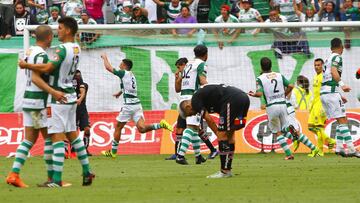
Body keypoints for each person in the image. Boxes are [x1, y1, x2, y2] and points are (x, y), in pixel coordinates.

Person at [18, 17, 95, 187]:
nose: (57, 31)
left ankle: (56, 180)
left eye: (59, 28)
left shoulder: (62, 48)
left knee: (57, 137)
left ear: (67, 30)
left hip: (58, 98)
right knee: (73, 136)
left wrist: (26, 65)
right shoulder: (77, 48)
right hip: (70, 97)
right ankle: (87, 171)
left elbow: (48, 68)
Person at [6, 25, 66, 188]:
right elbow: (35, 78)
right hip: (38, 102)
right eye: (52, 36)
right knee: (50, 138)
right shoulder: (41, 55)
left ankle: (14, 174)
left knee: (30, 139)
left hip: (29, 100)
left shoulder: (30, 51)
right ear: (48, 38)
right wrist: (53, 92)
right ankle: (52, 179)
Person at [100, 55, 174, 158]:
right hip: (137, 105)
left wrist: (105, 58)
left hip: (129, 106)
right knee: (142, 129)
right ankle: (160, 125)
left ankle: (113, 151)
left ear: (124, 65)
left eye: (121, 63)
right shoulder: (131, 75)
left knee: (118, 127)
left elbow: (108, 68)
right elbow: (127, 87)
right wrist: (119, 93)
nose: (119, 65)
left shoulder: (123, 73)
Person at [249, 57, 319, 160]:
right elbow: (291, 86)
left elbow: (259, 94)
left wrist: (253, 94)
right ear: (271, 65)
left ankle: (288, 154)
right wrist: (283, 95)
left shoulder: (260, 78)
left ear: (261, 66)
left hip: (272, 107)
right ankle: (313, 148)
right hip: (283, 104)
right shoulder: (279, 75)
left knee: (278, 132)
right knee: (287, 131)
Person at [179, 84, 250, 178]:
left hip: (232, 100)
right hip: (243, 97)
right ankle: (227, 169)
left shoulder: (195, 101)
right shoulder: (202, 98)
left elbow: (208, 119)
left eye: (189, 114)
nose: (193, 114)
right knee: (230, 134)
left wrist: (218, 134)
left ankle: (224, 172)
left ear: (188, 107)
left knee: (222, 135)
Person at [175, 45, 218, 165]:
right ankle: (180, 155)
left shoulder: (188, 64)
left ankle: (198, 156)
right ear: (206, 54)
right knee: (191, 128)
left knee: (194, 128)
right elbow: (202, 81)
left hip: (183, 99)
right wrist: (214, 90)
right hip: (192, 99)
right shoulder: (201, 64)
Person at [320, 38, 360, 157]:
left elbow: (328, 76)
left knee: (340, 119)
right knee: (343, 120)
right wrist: (342, 85)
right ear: (341, 47)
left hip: (325, 93)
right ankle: (352, 149)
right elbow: (333, 71)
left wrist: (339, 95)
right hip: (331, 93)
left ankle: (338, 148)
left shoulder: (328, 58)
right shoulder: (337, 57)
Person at [308, 58, 335, 156]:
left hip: (321, 105)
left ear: (323, 65)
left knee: (318, 128)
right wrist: (311, 106)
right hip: (315, 105)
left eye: (318, 65)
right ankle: (321, 149)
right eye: (315, 65)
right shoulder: (316, 77)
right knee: (311, 127)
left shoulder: (324, 77)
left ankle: (328, 142)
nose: (316, 67)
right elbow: (314, 94)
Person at [74, 70, 92, 156]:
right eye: (76, 76)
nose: (78, 77)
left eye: (79, 76)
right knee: (72, 131)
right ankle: (71, 150)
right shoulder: (69, 86)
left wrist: (80, 99)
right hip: (72, 110)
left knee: (87, 129)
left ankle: (85, 149)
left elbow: (82, 92)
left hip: (82, 110)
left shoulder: (84, 85)